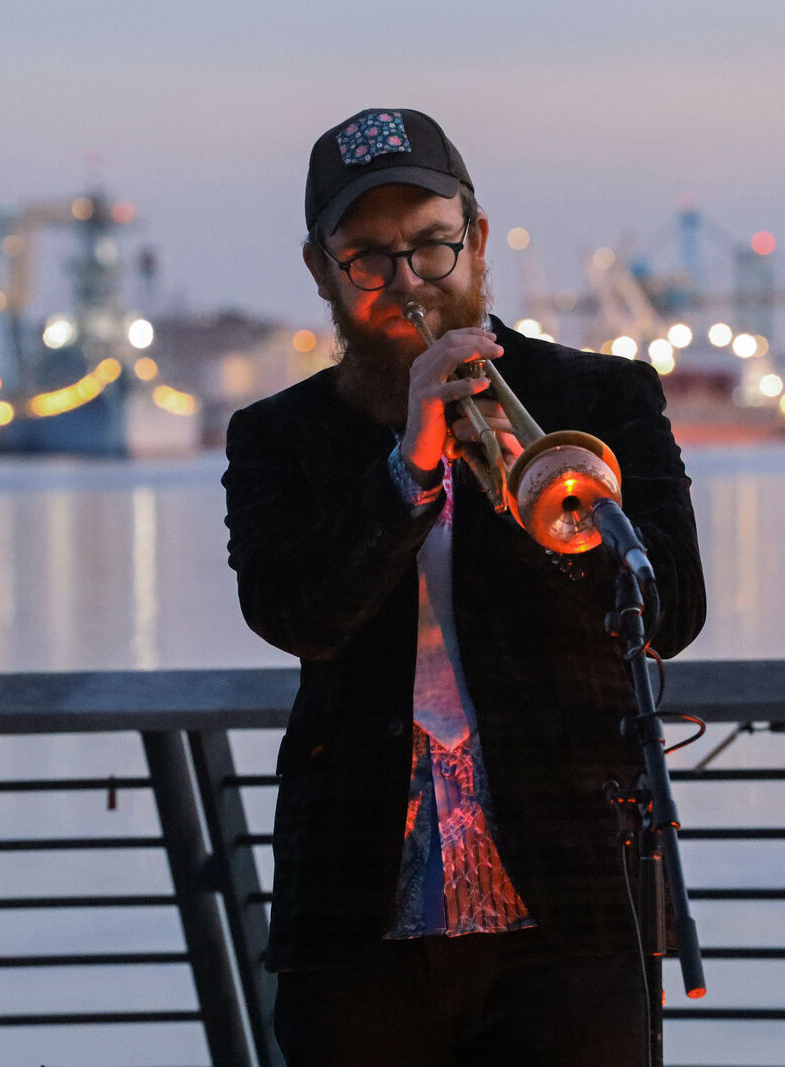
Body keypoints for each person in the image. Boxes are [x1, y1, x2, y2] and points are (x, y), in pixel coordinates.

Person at [222, 107, 705, 1065]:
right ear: (321, 270)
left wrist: (540, 501)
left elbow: (675, 607)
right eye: (368, 258)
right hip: (355, 920)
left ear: (476, 240)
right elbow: (295, 615)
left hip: (570, 905)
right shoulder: (279, 437)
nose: (407, 284)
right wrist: (411, 460)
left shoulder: (604, 399)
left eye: (431, 248)